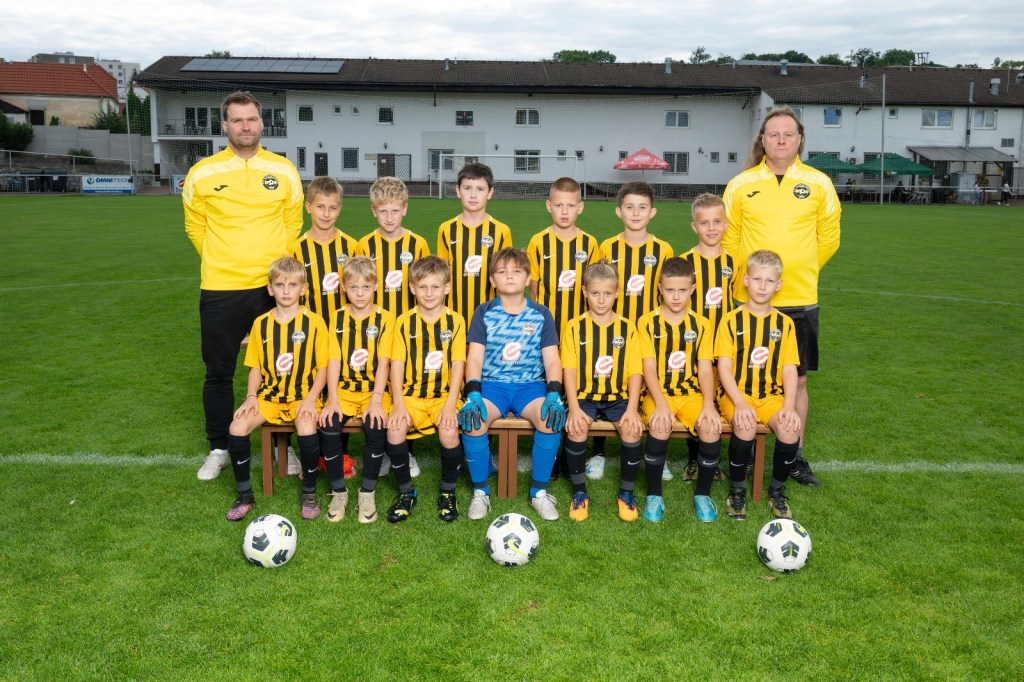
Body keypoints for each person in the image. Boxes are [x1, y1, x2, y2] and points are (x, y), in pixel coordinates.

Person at [185, 91, 304, 482]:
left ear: (261, 123)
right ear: (225, 125)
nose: (245, 126)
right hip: (221, 286)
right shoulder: (203, 172)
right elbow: (195, 226)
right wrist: (223, 258)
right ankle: (219, 448)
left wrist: (275, 270)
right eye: (237, 120)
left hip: (271, 289)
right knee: (219, 371)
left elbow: (292, 222)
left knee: (282, 369)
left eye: (251, 119)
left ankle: (282, 446)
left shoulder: (283, 170)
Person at [722, 105, 840, 488]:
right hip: (748, 300)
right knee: (743, 377)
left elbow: (829, 236)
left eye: (789, 134)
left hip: (799, 297)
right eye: (774, 134)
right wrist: (745, 280)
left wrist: (802, 269)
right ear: (763, 139)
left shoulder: (818, 183)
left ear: (800, 139)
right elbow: (730, 238)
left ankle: (795, 456)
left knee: (798, 381)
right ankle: (741, 451)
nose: (781, 140)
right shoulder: (741, 184)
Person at [457, 247, 567, 521]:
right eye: (502, 271)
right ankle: (481, 492)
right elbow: (475, 357)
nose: (509, 276)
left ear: (528, 278)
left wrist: (554, 392)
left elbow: (552, 360)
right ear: (492, 280)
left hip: (530, 387)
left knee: (550, 418)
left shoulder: (541, 314)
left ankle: (538, 492)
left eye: (517, 271)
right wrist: (473, 393)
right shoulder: (484, 312)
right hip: (493, 386)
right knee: (474, 420)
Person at [223, 257, 330, 521]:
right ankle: (245, 495)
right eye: (280, 285)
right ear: (270, 289)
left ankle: (309, 493)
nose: (286, 291)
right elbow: (256, 368)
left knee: (306, 425)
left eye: (292, 285)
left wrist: (311, 400)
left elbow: (323, 369)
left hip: (303, 396)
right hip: (269, 397)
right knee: (237, 427)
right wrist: (251, 397)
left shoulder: (315, 322)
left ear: (303, 289)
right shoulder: (261, 324)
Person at [588, 180, 673, 480]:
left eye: (642, 207)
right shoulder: (607, 247)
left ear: (652, 212)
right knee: (605, 383)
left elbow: (667, 289)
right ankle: (598, 452)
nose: (636, 213)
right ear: (619, 211)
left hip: (649, 333)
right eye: (629, 207)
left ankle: (658, 453)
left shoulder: (663, 249)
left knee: (648, 385)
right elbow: (598, 285)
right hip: (611, 332)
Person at [716, 250, 801, 520]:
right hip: (736, 394)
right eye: (756, 279)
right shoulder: (730, 320)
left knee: (789, 429)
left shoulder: (784, 324)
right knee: (745, 425)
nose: (762, 286)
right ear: (746, 280)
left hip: (770, 397)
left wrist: (789, 406)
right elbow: (724, 367)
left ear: (778, 285)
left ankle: (777, 492)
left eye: (769, 281)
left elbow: (789, 369)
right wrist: (740, 402)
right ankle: (737, 491)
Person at [637, 257, 722, 522]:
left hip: (691, 394)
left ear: (692, 289)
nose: (676, 296)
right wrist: (661, 404)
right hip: (658, 393)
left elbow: (705, 369)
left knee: (710, 426)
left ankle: (703, 495)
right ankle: (654, 495)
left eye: (682, 290)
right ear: (660, 288)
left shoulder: (702, 324)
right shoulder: (647, 322)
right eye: (670, 290)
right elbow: (648, 368)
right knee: (660, 423)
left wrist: (708, 404)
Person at [526, 176, 600, 479]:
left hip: (581, 334)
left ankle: (574, 452)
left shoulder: (590, 243)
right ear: (549, 206)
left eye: (571, 205)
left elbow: (595, 286)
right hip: (548, 333)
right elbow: (533, 290)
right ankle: (553, 452)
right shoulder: (538, 241)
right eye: (559, 205)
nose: (565, 211)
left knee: (577, 388)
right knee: (551, 388)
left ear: (580, 207)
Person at [384, 256, 467, 523]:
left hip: (444, 396)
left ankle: (448, 492)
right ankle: (406, 491)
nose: (429, 293)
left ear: (447, 288)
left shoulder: (456, 321)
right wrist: (398, 404)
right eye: (423, 287)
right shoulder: (403, 322)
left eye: (435, 287)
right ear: (412, 288)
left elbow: (458, 365)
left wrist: (450, 405)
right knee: (395, 429)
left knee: (449, 431)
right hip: (411, 396)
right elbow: (396, 365)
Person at [560, 262, 644, 522]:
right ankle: (579, 493)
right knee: (576, 428)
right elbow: (569, 370)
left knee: (631, 429)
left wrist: (632, 409)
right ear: (585, 292)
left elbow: (635, 372)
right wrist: (573, 408)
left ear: (617, 293)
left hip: (618, 397)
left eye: (607, 293)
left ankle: (626, 494)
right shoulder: (574, 326)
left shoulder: (628, 328)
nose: (601, 300)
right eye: (595, 293)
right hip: (584, 396)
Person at [358, 176, 430, 477]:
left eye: (395, 211)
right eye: (383, 211)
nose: (389, 218)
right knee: (377, 384)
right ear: (374, 211)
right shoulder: (364, 245)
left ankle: (405, 451)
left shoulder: (418, 244)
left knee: (403, 387)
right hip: (374, 331)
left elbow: (426, 284)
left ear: (405, 209)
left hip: (407, 331)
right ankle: (382, 450)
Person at [290, 176, 361, 479]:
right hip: (309, 335)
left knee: (338, 390)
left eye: (333, 207)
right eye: (320, 207)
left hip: (344, 334)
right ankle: (312, 454)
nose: (326, 213)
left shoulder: (351, 246)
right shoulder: (296, 248)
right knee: (309, 389)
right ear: (308, 207)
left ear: (340, 209)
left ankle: (339, 456)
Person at [317, 257, 394, 523]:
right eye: (353, 287)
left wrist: (376, 401)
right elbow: (334, 361)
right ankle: (339, 492)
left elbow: (384, 362)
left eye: (365, 287)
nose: (360, 293)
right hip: (344, 390)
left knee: (376, 424)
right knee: (328, 424)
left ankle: (367, 492)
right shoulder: (337, 318)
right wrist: (332, 399)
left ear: (376, 286)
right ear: (344, 288)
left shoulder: (386, 318)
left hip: (375, 390)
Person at [679, 193, 735, 483]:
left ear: (726, 224)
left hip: (724, 346)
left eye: (716, 222)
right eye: (704, 223)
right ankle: (694, 460)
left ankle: (714, 459)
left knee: (718, 397)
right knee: (697, 396)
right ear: (694, 226)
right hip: (692, 344)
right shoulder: (685, 262)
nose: (711, 228)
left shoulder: (734, 262)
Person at [437, 163, 513, 328]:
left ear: (490, 193)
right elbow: (441, 274)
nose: (473, 195)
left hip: (491, 317)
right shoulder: (446, 229)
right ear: (458, 191)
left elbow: (505, 277)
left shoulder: (501, 231)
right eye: (467, 188)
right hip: (452, 315)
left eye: (480, 189)